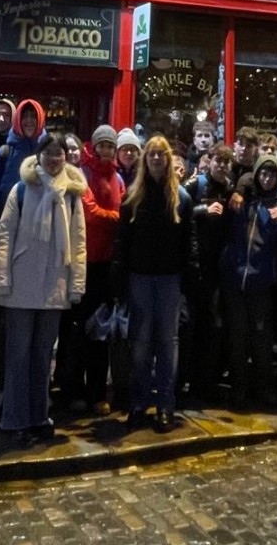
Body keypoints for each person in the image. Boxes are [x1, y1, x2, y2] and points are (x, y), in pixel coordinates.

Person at [0, 132, 87, 445]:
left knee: (43, 354)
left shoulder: (72, 196)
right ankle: (15, 418)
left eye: (59, 153)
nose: (55, 158)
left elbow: (79, 242)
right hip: (21, 282)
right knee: (18, 354)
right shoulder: (21, 190)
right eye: (49, 153)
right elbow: (5, 236)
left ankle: (38, 415)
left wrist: (76, 285)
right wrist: (2, 279)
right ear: (39, 156)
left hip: (54, 284)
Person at [113, 134, 196, 433]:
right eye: (152, 155)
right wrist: (119, 281)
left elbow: (189, 243)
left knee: (167, 344)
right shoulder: (133, 198)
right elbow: (122, 242)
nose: (157, 159)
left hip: (170, 280)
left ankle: (165, 405)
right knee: (140, 344)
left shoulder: (181, 199)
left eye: (162, 154)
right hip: (140, 279)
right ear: (145, 160)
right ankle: (138, 403)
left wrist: (189, 282)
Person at [0, 98, 47, 413]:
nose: (30, 122)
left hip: (36, 252)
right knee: (2, 319)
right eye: (26, 116)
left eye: (35, 117)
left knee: (33, 321)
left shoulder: (48, 156)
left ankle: (24, 386)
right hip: (4, 248)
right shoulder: (1, 155)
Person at [219, 152, 277, 408]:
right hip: (234, 280)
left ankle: (264, 389)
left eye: (272, 174)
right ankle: (239, 390)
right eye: (263, 173)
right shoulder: (243, 199)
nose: (267, 178)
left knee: (262, 339)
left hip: (261, 282)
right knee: (237, 337)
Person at [71, 125, 124, 413]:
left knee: (101, 330)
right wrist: (118, 217)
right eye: (102, 145)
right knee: (80, 330)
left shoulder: (117, 178)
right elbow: (89, 212)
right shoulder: (84, 174)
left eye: (110, 146)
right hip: (86, 261)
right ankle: (75, 390)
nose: (106, 150)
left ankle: (97, 392)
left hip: (108, 264)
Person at [186, 144, 234, 399]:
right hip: (195, 266)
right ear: (210, 161)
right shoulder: (196, 185)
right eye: (218, 161)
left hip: (218, 269)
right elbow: (180, 211)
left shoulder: (230, 189)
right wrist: (203, 209)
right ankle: (188, 379)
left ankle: (206, 380)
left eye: (227, 162)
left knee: (213, 326)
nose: (222, 166)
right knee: (191, 324)